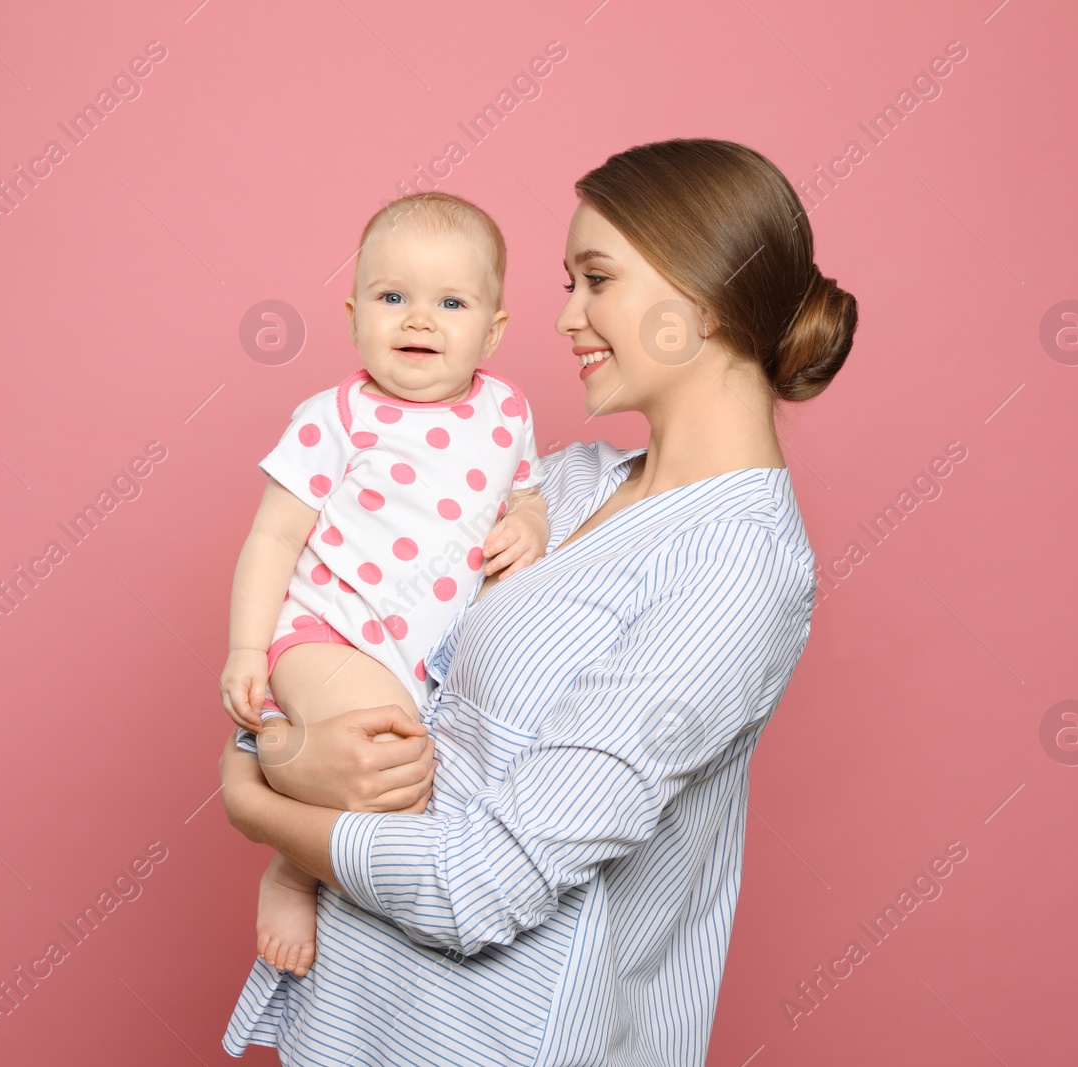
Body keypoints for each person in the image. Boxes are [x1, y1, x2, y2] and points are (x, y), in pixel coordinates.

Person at [218, 138, 858, 1066]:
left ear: (705, 295)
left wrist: (253, 801)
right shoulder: (561, 487)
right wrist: (279, 744)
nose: (565, 317)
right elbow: (341, 628)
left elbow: (483, 886)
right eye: (567, 282)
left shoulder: (738, 566)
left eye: (595, 279)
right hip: (353, 1018)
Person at [218, 192, 550, 979]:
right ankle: (291, 868)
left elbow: (528, 491)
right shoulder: (335, 416)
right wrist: (246, 646)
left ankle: (276, 784)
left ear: (493, 329)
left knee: (403, 771)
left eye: (450, 302)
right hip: (328, 631)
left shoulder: (507, 411)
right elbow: (273, 534)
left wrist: (529, 523)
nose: (418, 320)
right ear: (353, 314)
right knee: (391, 752)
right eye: (391, 297)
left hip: (417, 656)